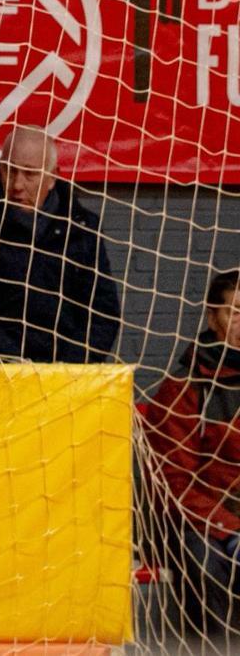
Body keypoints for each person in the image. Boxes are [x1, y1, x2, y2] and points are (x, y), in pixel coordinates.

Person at [0, 126, 121, 363]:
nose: (17, 185)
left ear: (52, 177)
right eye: (10, 171)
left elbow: (103, 313)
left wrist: (65, 369)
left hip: (62, 374)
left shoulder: (82, 228)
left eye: (30, 174)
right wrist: (16, 365)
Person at [145, 269, 240, 633]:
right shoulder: (184, 388)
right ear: (212, 317)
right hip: (203, 520)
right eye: (234, 312)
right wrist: (231, 530)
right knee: (204, 561)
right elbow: (174, 485)